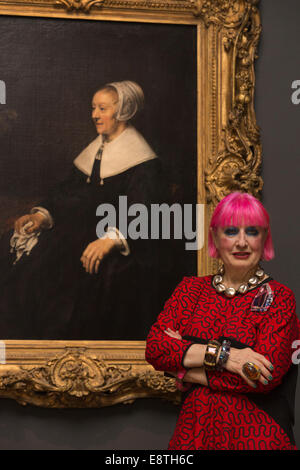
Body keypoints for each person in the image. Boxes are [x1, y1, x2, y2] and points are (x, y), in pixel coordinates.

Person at [0, 80, 170, 340]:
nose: (94, 115)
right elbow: (66, 192)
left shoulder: (143, 162)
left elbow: (145, 214)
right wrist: (41, 215)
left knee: (61, 290)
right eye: (93, 108)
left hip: (118, 244)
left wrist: (110, 240)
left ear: (123, 111)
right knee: (12, 253)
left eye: (102, 108)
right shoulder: (96, 149)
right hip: (75, 233)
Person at [146, 191, 299, 450]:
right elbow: (156, 349)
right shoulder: (190, 290)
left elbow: (263, 377)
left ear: (265, 239)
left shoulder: (280, 298)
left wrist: (183, 369)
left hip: (258, 439)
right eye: (231, 231)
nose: (241, 242)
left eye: (252, 231)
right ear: (215, 236)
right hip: (193, 437)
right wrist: (227, 358)